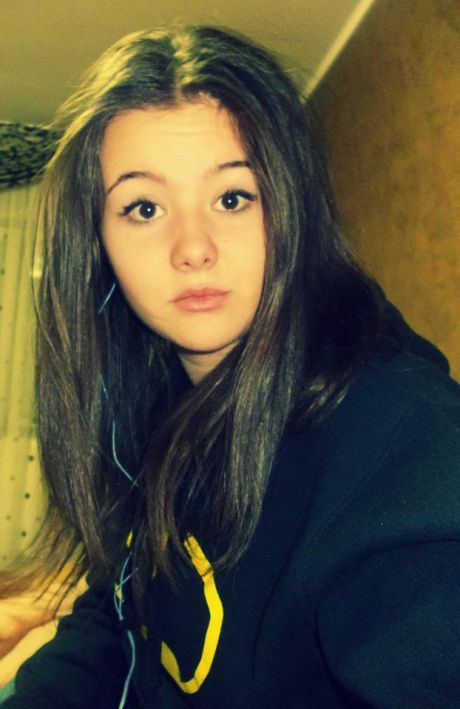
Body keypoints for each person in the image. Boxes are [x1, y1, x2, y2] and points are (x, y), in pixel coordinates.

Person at [2, 23, 460, 709]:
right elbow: (120, 605)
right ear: (97, 246)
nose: (193, 247)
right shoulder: (151, 396)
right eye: (144, 207)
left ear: (293, 210)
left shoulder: (411, 455)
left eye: (233, 197)